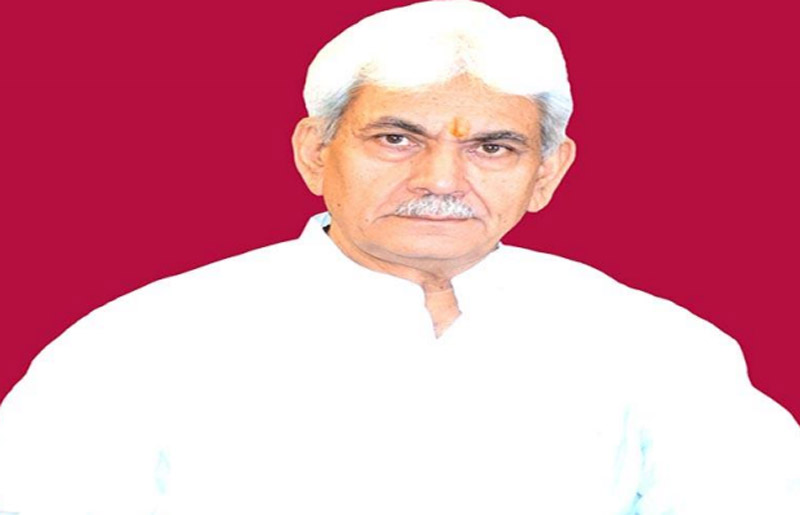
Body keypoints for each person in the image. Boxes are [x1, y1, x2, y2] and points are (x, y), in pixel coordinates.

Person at [0, 1, 798, 513]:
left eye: (493, 147)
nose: (440, 180)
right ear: (315, 152)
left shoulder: (658, 346)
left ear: (546, 174)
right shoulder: (134, 347)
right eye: (395, 138)